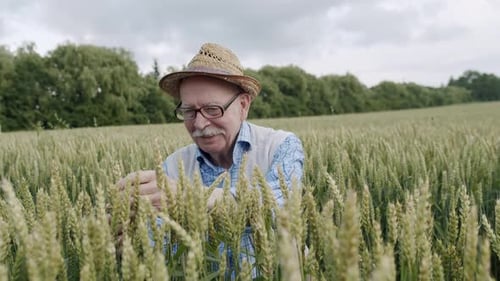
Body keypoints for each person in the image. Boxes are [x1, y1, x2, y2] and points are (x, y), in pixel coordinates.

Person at [117, 42, 304, 276]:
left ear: (243, 105)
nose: (199, 123)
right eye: (189, 111)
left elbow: (279, 209)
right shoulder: (173, 166)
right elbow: (160, 243)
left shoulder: (281, 146)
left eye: (213, 109)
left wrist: (189, 197)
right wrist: (129, 239)